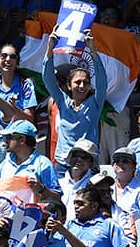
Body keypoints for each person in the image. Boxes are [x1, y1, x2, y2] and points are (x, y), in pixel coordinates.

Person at [43, 27, 107, 174]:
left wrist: (92, 49)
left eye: (86, 82)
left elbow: (102, 79)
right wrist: (50, 49)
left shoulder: (95, 103)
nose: (82, 86)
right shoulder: (62, 101)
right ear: (68, 86)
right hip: (63, 166)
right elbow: (48, 80)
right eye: (77, 82)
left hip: (88, 164)